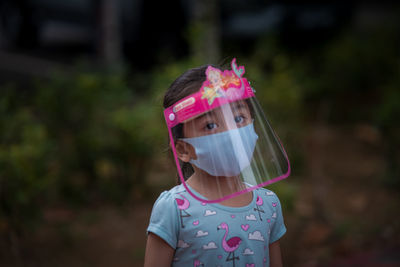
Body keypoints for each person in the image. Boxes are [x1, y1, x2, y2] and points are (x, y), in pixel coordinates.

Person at [144, 59, 290, 267]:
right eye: (210, 125)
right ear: (184, 149)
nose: (232, 134)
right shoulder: (174, 209)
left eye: (239, 119)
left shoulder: (269, 204)